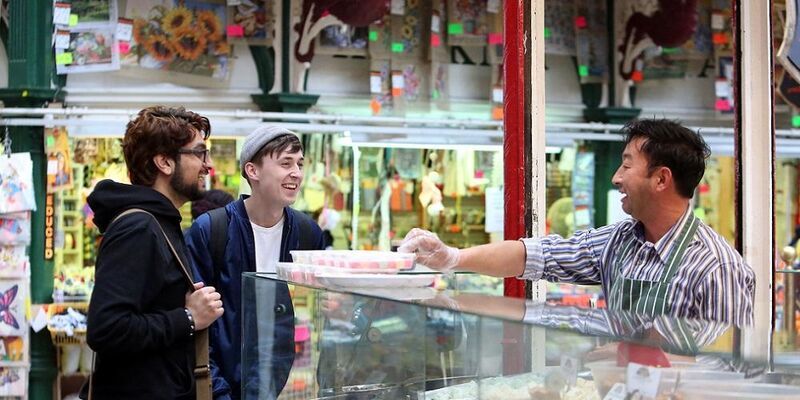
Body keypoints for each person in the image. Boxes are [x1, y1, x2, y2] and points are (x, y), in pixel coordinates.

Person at [400, 119, 755, 327]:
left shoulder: (717, 267)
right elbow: (536, 255)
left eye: (627, 165)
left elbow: (734, 366)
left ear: (661, 180)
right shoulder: (619, 241)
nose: (616, 178)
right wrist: (453, 258)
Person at [82, 106, 224, 399]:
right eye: (198, 153)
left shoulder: (160, 222)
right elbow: (106, 328)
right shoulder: (139, 228)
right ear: (164, 162)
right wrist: (187, 317)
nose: (207, 164)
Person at [186, 125, 325, 399]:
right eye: (285, 163)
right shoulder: (211, 231)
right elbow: (198, 328)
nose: (296, 172)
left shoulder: (308, 234)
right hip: (218, 388)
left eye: (299, 163)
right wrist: (219, 392)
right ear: (253, 171)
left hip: (285, 387)